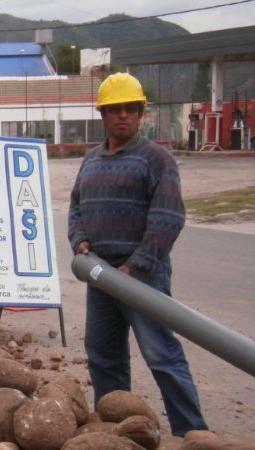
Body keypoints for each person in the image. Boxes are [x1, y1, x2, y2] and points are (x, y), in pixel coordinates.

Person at [68, 72, 207, 437]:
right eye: (115, 109)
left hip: (142, 276)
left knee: (161, 355)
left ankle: (192, 433)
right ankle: (116, 430)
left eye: (131, 108)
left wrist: (137, 265)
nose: (123, 115)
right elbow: (76, 207)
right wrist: (80, 240)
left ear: (141, 113)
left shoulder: (156, 159)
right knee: (103, 356)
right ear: (103, 114)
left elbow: (168, 218)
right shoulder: (91, 160)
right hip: (101, 276)